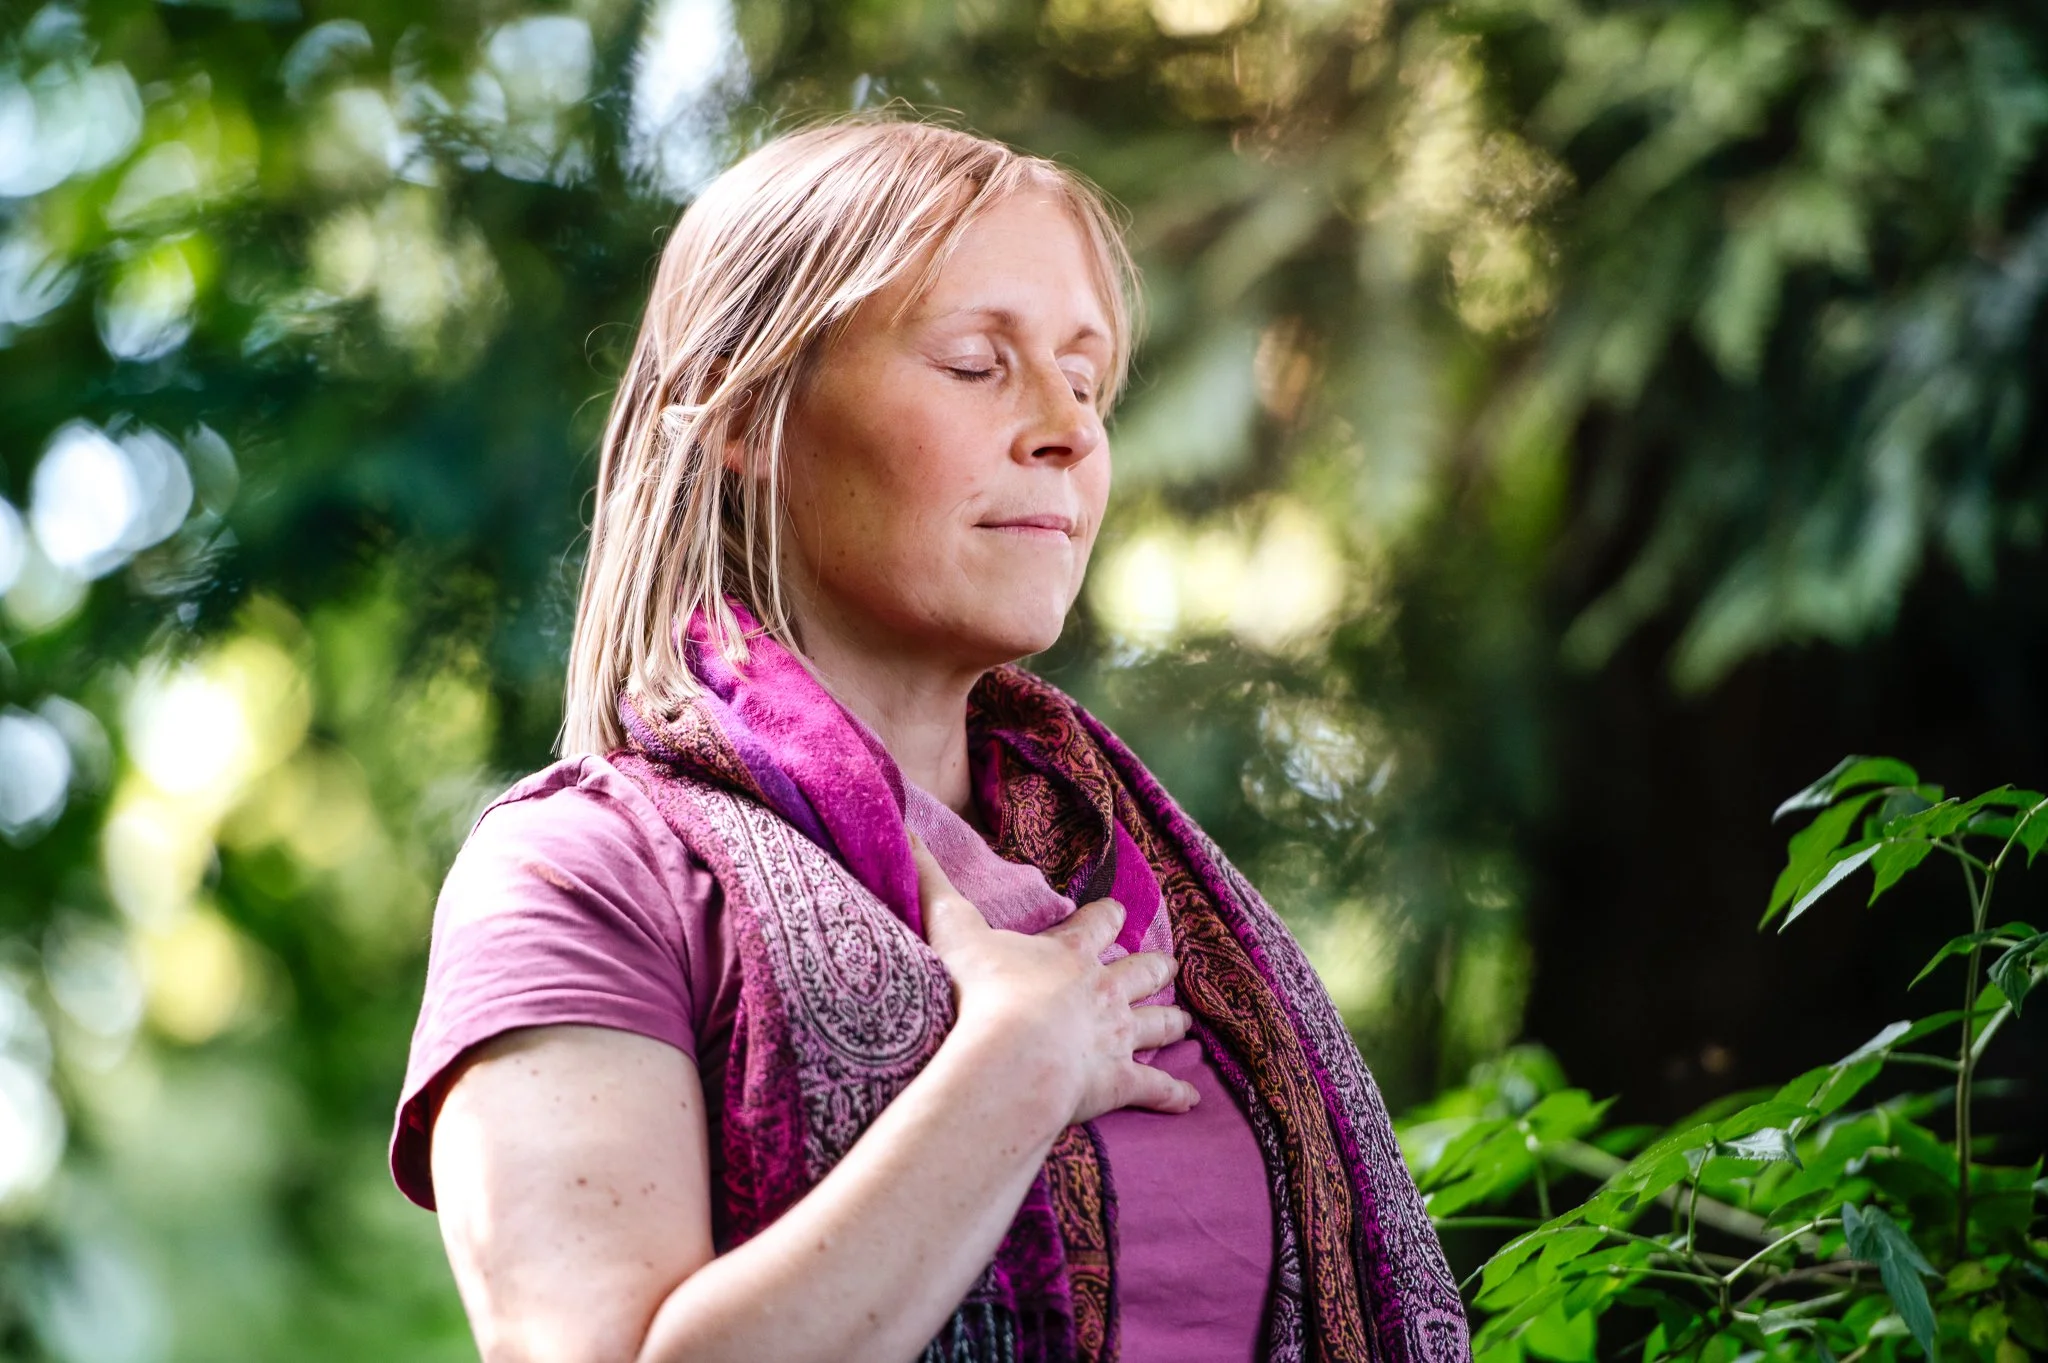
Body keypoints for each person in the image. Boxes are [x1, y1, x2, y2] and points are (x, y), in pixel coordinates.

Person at [390, 115, 1468, 1363]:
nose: (1065, 428)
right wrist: (1007, 1077)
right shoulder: (585, 874)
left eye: (1086, 376)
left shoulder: (1136, 895)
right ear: (746, 412)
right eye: (973, 362)